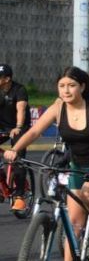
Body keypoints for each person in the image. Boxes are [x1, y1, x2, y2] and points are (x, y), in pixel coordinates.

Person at [4, 67, 89, 261]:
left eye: (71, 85)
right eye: (62, 86)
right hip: (78, 166)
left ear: (82, 87)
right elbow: (35, 130)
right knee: (74, 225)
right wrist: (15, 149)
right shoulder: (58, 107)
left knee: (88, 194)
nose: (66, 90)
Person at [0, 63, 31, 212]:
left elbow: (21, 109)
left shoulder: (19, 90)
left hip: (19, 128)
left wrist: (18, 127)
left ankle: (20, 196)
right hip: (2, 127)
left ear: (7, 79)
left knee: (17, 157)